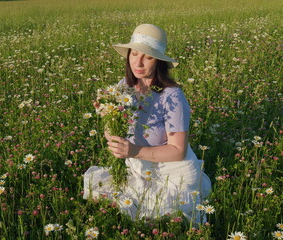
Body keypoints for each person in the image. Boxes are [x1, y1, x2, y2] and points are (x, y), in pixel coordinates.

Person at [83, 24, 211, 223]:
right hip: (138, 164)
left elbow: (178, 151)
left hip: (171, 170)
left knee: (159, 213)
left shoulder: (172, 96)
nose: (139, 63)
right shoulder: (123, 87)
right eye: (134, 54)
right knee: (100, 187)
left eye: (148, 57)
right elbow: (114, 137)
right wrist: (107, 115)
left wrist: (133, 151)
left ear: (159, 61)